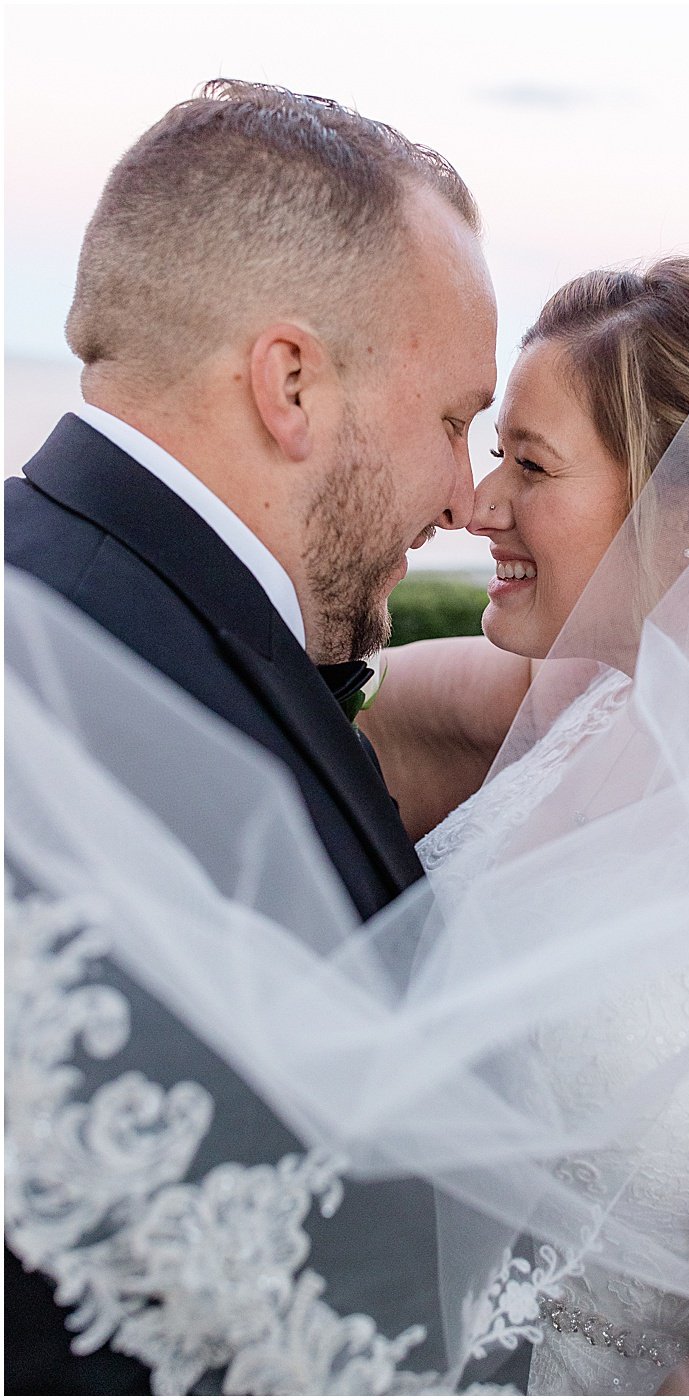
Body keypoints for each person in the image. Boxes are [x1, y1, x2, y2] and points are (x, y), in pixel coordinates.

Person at [6, 250, 689, 1395]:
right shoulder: (579, 696)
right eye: (487, 446)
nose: (477, 502)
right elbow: (252, 717)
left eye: (528, 463)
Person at [3, 78, 498, 1395]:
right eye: (453, 418)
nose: (465, 496)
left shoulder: (75, 587)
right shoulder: (81, 682)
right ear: (291, 382)